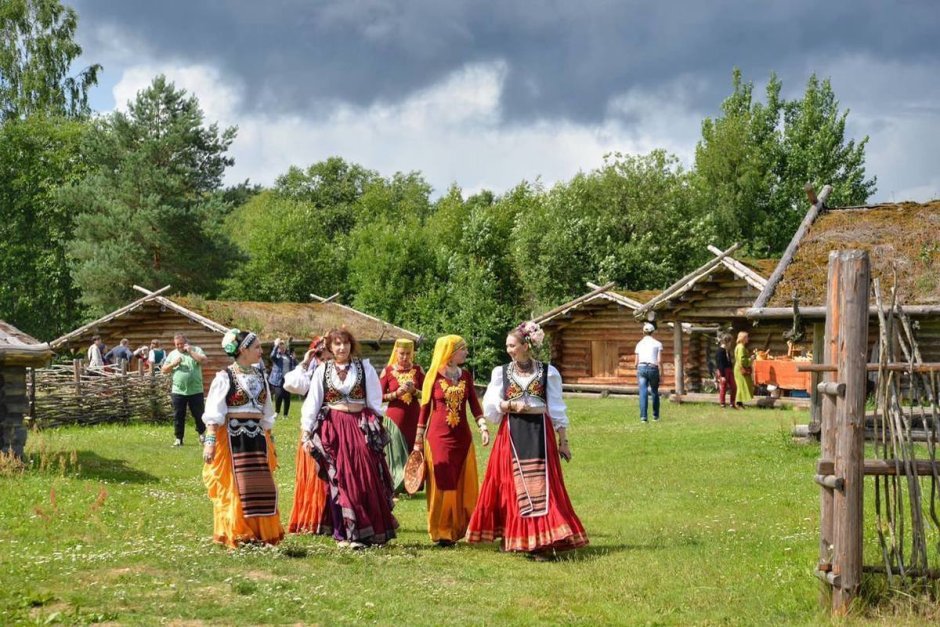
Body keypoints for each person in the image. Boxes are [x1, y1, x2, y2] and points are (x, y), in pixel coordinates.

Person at [468, 321, 588, 558]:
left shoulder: (547, 372)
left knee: (542, 487)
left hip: (540, 432)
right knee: (512, 485)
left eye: (512, 345)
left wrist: (563, 440)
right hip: (511, 431)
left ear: (526, 345)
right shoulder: (500, 372)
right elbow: (491, 405)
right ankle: (517, 537)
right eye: (507, 346)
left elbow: (555, 407)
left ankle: (542, 541)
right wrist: (510, 404)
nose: (509, 350)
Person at [299, 328, 397, 547]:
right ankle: (344, 534)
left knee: (365, 477)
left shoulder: (365, 368)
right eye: (337, 344)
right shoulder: (323, 370)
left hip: (359, 425)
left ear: (352, 345)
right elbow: (313, 403)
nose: (341, 348)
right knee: (341, 478)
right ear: (330, 348)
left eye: (345, 343)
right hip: (333, 427)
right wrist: (306, 432)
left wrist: (375, 427)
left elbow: (374, 401)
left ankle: (368, 530)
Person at [201, 328, 284, 548]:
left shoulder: (260, 376)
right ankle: (239, 533)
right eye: (256, 347)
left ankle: (260, 534)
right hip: (233, 439)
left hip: (257, 438)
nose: (261, 351)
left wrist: (270, 441)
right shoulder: (225, 377)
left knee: (262, 486)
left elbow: (267, 412)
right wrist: (210, 444)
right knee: (238, 487)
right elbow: (214, 414)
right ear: (243, 350)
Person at [413, 335, 487, 547]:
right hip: (438, 439)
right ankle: (442, 530)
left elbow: (473, 403)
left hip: (463, 438)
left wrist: (482, 426)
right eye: (462, 349)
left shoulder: (465, 376)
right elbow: (424, 409)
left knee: (462, 482)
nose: (466, 353)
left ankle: (460, 528)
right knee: (443, 483)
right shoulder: (432, 376)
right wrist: (418, 441)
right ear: (450, 352)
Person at [284, 336, 332, 535]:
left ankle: (332, 518)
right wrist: (305, 362)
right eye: (320, 353)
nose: (324, 356)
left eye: (327, 352)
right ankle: (313, 518)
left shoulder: (343, 371)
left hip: (335, 426)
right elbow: (291, 385)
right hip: (313, 427)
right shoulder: (311, 371)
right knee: (313, 472)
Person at [380, 339, 425, 493]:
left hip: (414, 418)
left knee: (414, 449)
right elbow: (377, 396)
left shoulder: (419, 371)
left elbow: (428, 395)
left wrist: (414, 392)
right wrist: (395, 394)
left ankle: (413, 485)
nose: (405, 357)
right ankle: (396, 485)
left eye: (408, 354)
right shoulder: (387, 371)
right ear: (396, 353)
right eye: (401, 354)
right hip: (395, 418)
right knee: (396, 453)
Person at [161, 333, 209, 447]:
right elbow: (164, 370)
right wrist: (173, 364)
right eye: (177, 344)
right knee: (178, 415)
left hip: (196, 390)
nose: (179, 346)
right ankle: (178, 439)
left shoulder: (196, 350)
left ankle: (202, 435)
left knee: (199, 414)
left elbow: (204, 361)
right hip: (178, 391)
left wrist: (191, 352)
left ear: (186, 342)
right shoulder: (172, 354)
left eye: (181, 344)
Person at [634, 321, 663, 422]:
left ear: (643, 332)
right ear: (653, 332)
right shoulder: (658, 344)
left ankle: (643, 417)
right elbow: (659, 360)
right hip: (653, 368)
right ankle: (655, 416)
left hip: (641, 368)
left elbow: (636, 362)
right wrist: (661, 372)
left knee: (643, 392)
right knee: (654, 391)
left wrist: (636, 370)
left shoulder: (639, 344)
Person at [268, 338, 298, 418]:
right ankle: (277, 412)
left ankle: (285, 414)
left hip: (287, 379)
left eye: (283, 347)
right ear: (278, 348)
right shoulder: (276, 356)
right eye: (280, 347)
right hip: (278, 379)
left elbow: (294, 365)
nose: (282, 348)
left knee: (287, 396)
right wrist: (276, 345)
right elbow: (272, 356)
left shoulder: (288, 356)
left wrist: (294, 360)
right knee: (279, 395)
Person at [733, 331, 755, 406]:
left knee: (741, 385)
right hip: (740, 368)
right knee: (741, 385)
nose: (748, 338)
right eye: (747, 337)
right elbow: (742, 360)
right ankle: (738, 403)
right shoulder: (741, 347)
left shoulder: (739, 346)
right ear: (743, 338)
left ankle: (739, 402)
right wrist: (750, 359)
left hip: (739, 368)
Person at [716, 333, 737, 408]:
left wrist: (731, 369)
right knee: (723, 387)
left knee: (734, 386)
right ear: (727, 342)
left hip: (729, 370)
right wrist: (722, 375)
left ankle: (732, 403)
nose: (731, 344)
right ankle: (722, 404)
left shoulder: (726, 351)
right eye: (730, 342)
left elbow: (729, 361)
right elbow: (720, 364)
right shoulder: (720, 351)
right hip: (723, 371)